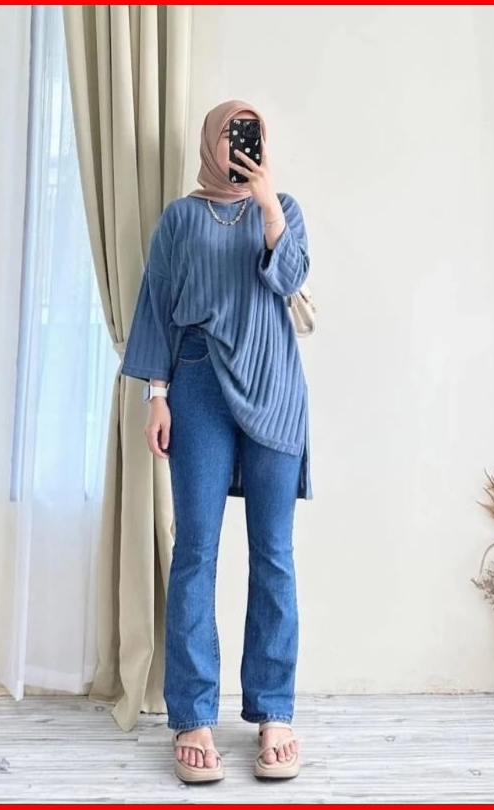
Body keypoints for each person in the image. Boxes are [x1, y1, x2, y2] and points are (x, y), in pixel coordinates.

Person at [121, 99, 312, 784]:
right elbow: (156, 305)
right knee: (196, 550)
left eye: (251, 134)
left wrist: (267, 205)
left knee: (274, 553)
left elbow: (290, 278)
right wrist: (157, 395)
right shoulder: (179, 217)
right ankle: (193, 715)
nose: (242, 144)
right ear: (211, 142)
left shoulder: (282, 208)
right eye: (232, 134)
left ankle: (274, 712)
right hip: (198, 382)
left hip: (274, 384)